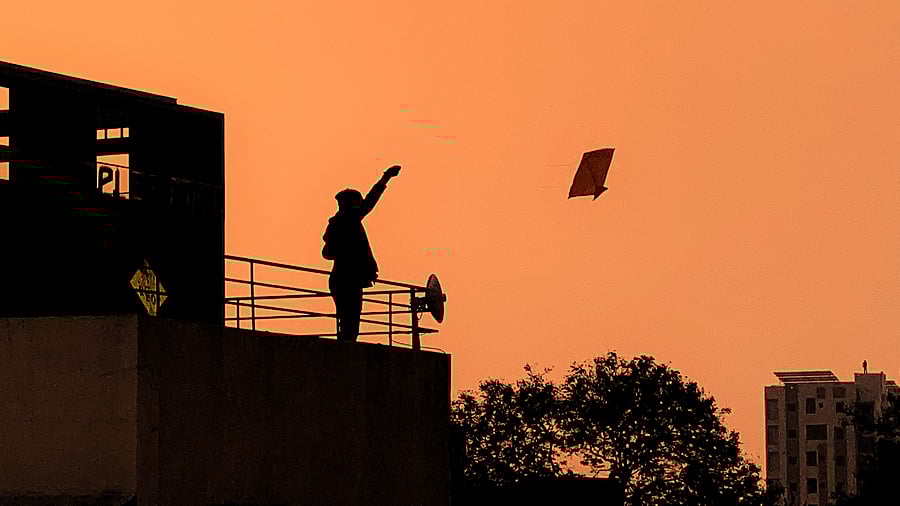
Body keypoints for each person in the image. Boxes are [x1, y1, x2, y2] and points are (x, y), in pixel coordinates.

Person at [322, 165, 401, 341]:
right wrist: (385, 178)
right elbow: (370, 201)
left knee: (348, 321)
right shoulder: (346, 220)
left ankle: (345, 345)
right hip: (347, 278)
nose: (360, 205)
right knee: (350, 321)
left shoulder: (339, 223)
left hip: (343, 278)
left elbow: (327, 251)